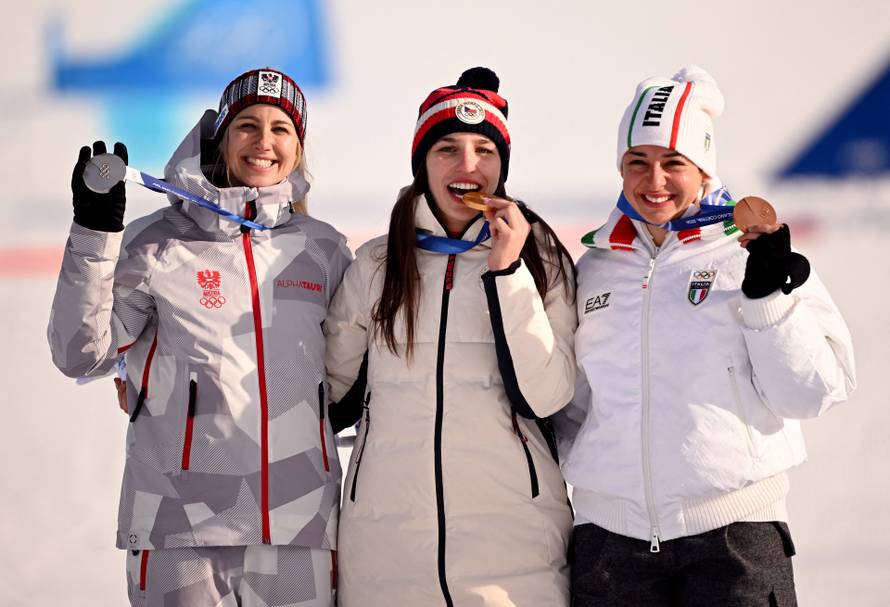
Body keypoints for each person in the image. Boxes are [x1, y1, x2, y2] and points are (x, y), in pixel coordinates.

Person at [48, 67, 351, 607]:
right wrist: (94, 233)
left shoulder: (322, 249)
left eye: (282, 129)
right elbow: (80, 354)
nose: (264, 142)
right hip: (178, 527)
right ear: (220, 136)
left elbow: (355, 367)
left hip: (299, 524)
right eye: (247, 126)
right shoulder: (157, 243)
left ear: (298, 148)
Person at [556, 65, 856, 606]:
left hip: (733, 539)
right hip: (609, 546)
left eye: (674, 163)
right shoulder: (595, 267)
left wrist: (768, 300)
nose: (655, 181)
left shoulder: (755, 251)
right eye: (637, 162)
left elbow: (814, 391)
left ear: (704, 168)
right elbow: (572, 406)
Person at [324, 67, 577, 606]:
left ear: (502, 165)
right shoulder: (377, 263)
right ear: (421, 164)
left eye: (485, 150)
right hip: (385, 554)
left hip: (515, 556)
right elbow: (328, 402)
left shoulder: (540, 256)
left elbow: (547, 395)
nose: (468, 167)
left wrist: (508, 274)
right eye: (447, 149)